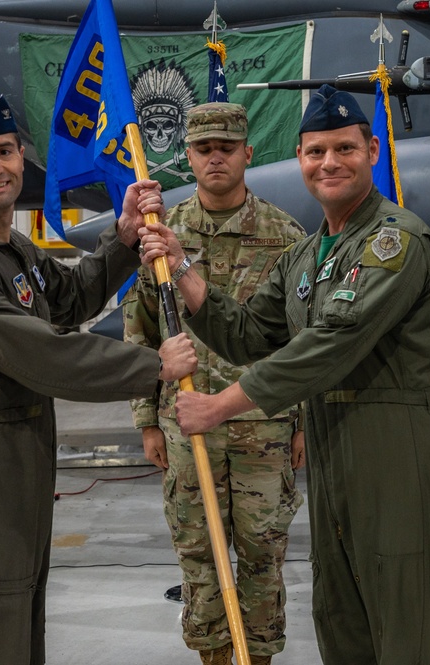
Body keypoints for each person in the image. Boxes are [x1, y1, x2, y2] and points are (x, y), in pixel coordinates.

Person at [140, 84, 430, 665]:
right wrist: (182, 264)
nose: (329, 163)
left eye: (344, 148)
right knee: (344, 621)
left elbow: (331, 342)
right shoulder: (309, 254)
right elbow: (245, 333)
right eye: (315, 152)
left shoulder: (395, 241)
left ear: (370, 151)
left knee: (409, 626)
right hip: (334, 448)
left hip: (397, 455)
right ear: (299, 160)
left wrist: (219, 407)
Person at [0, 83, 198, 665]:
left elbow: (68, 297)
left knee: (12, 632)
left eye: (5, 152)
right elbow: (42, 353)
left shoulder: (8, 250)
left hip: (14, 466)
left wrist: (125, 236)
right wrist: (153, 367)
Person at [123, 102, 306, 665]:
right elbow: (142, 328)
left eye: (227, 147)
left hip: (264, 430)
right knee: (200, 559)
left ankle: (259, 659)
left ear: (248, 154)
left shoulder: (286, 236)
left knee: (261, 558)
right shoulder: (162, 236)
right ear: (189, 158)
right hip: (188, 429)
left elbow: (305, 342)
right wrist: (147, 420)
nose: (216, 157)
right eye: (204, 149)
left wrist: (304, 424)